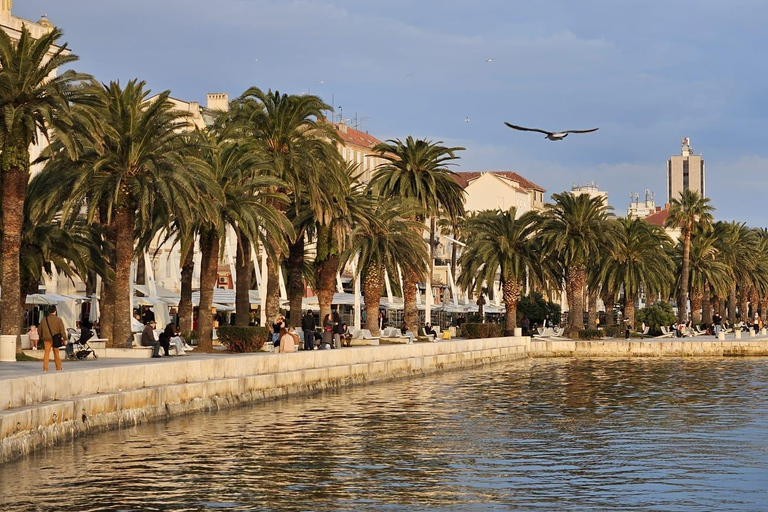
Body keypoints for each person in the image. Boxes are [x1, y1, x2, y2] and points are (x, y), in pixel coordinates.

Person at [40, 307, 67, 372]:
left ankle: (45, 368)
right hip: (56, 339)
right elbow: (62, 330)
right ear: (55, 311)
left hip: (46, 338)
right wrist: (64, 339)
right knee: (56, 353)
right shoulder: (58, 319)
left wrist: (41, 336)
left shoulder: (44, 319)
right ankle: (58, 367)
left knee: (46, 353)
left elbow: (39, 329)